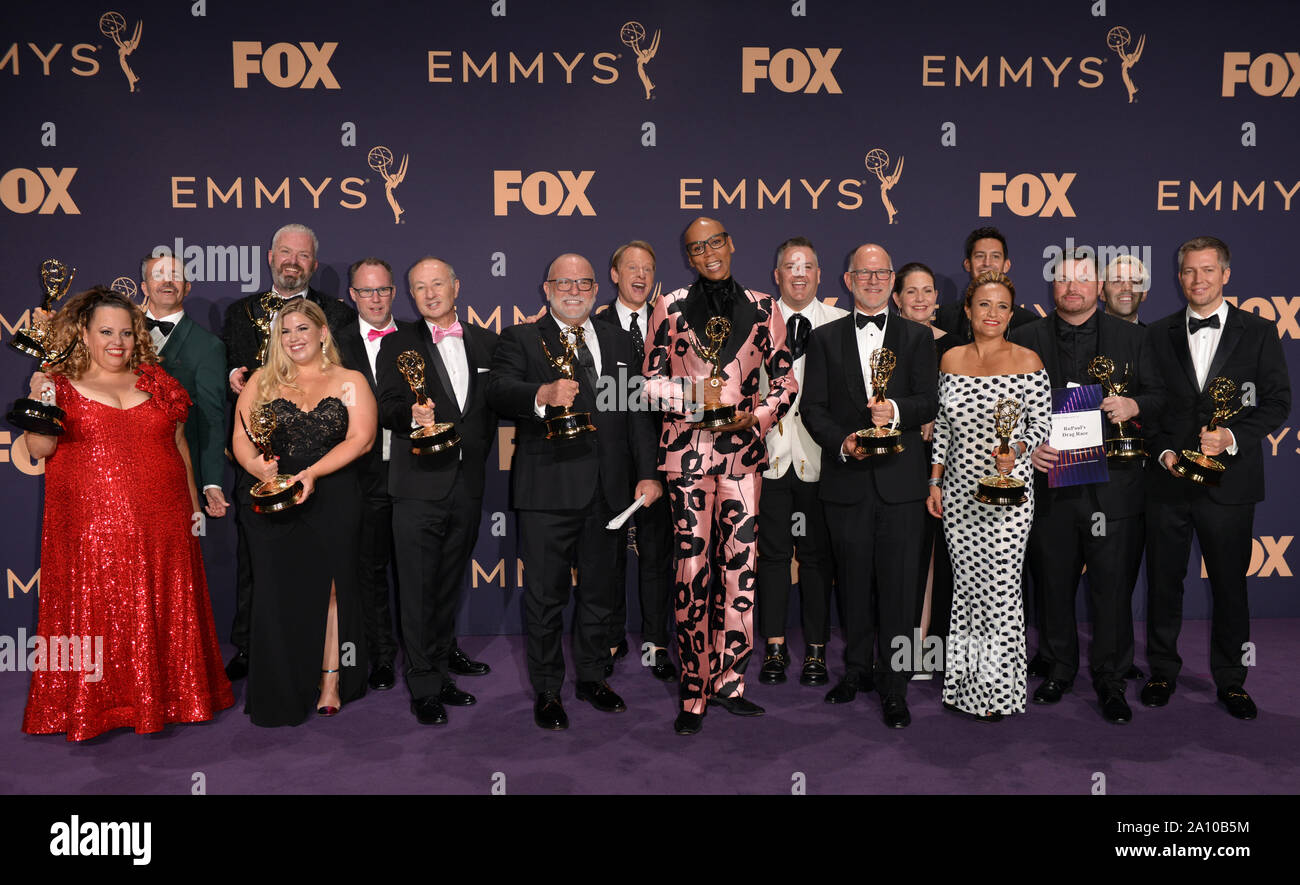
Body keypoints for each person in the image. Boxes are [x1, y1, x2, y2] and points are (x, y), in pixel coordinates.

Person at [21, 287, 233, 740]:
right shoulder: (55, 384)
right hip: (92, 531)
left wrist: (194, 509)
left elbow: (179, 448)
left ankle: (172, 698)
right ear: (83, 332)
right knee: (103, 614)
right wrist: (42, 403)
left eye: (126, 332)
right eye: (105, 332)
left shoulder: (159, 383)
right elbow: (39, 449)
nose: (117, 342)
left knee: (162, 609)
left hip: (165, 522)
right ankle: (99, 707)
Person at [487, 253, 660, 731]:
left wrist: (648, 473)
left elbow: (635, 415)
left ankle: (592, 677)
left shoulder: (616, 338)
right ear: (546, 288)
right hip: (547, 491)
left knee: (601, 594)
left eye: (584, 282)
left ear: (596, 288)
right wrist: (539, 396)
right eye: (564, 282)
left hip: (608, 492)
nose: (575, 290)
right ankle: (547, 690)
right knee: (544, 598)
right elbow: (498, 390)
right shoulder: (520, 337)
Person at [643, 217, 797, 735]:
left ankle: (730, 681)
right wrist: (695, 400)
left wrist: (752, 416)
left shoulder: (764, 307)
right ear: (687, 257)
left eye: (715, 242)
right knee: (691, 573)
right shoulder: (669, 306)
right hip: (686, 457)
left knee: (740, 575)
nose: (708, 253)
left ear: (730, 244)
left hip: (743, 457)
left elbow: (785, 380)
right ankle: (693, 688)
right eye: (696, 248)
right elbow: (648, 381)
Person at [1011, 250, 1164, 724]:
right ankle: (1058, 669)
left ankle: (1111, 679)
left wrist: (1134, 405)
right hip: (1049, 485)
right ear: (1051, 288)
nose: (1072, 286)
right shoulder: (1024, 339)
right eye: (1062, 279)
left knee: (1112, 589)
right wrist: (1024, 446)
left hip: (1114, 488)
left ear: (1099, 288)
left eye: (1082, 278)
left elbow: (1163, 397)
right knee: (1052, 585)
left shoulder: (1136, 338)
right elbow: (1005, 412)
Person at [1141, 236, 1290, 720]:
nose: (1198, 280)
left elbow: (1277, 402)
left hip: (1231, 485)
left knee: (1230, 584)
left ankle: (1231, 679)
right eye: (1188, 271)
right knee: (1164, 582)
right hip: (1168, 483)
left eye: (1207, 271)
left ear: (1226, 274)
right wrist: (1162, 452)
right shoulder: (1157, 333)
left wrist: (1231, 436)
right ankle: (1161, 670)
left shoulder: (1261, 332)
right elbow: (1151, 405)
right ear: (1178, 276)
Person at [802, 244, 938, 728]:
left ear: (892, 278)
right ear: (848, 278)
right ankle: (855, 670)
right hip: (847, 483)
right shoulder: (823, 338)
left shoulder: (918, 338)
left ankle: (895, 686)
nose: (874, 280)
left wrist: (896, 412)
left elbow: (929, 402)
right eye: (865, 273)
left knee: (899, 591)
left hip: (901, 487)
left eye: (882, 273)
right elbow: (811, 408)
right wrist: (844, 443)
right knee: (853, 586)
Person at [220, 223, 356, 681]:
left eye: (302, 255)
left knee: (320, 565)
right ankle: (251, 644)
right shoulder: (239, 312)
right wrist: (235, 377)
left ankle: (321, 656)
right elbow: (224, 369)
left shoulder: (337, 312)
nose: (292, 261)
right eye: (285, 252)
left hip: (319, 458)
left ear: (314, 264)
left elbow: (343, 378)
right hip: (256, 456)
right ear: (271, 256)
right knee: (255, 560)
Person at [231, 298, 376, 726]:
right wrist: (258, 466)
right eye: (285, 331)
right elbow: (241, 437)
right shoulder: (262, 380)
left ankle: (331, 678)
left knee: (332, 589)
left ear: (322, 333)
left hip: (333, 495)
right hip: (276, 499)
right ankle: (284, 681)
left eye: (302, 329)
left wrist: (310, 473)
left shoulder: (349, 380)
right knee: (277, 590)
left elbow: (361, 439)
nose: (294, 338)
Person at [376, 257, 500, 726]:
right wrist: (412, 417)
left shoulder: (489, 343)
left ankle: (444, 656)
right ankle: (425, 682)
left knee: (448, 582)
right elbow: (387, 404)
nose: (430, 294)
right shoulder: (397, 343)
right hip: (417, 486)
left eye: (437, 284)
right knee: (418, 587)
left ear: (456, 285)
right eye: (419, 287)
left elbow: (501, 401)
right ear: (411, 294)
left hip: (468, 486)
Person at [926, 272, 1050, 721]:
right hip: (959, 496)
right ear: (968, 310)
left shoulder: (1029, 360)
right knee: (968, 590)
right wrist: (935, 482)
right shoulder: (951, 360)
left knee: (1000, 589)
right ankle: (964, 687)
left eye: (1001, 306)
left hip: (1008, 495)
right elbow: (941, 427)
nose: (992, 314)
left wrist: (1015, 449)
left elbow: (1041, 424)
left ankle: (999, 690)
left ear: (1011, 312)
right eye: (984, 305)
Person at [755, 237, 847, 688]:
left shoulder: (842, 324)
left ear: (819, 274)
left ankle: (815, 652)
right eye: (789, 266)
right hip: (767, 460)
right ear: (777, 276)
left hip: (823, 462)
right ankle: (773, 648)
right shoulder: (752, 321)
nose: (798, 274)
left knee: (816, 560)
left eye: (807, 266)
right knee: (770, 557)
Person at [594, 239, 676, 682]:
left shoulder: (672, 325)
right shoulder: (592, 325)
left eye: (648, 268)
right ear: (614, 274)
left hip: (663, 458)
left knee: (656, 555)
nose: (640, 275)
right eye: (631, 267)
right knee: (607, 556)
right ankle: (609, 637)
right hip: (607, 459)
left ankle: (656, 642)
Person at [336, 258, 402, 692]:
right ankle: (381, 656)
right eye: (366, 292)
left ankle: (437, 648)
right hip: (361, 475)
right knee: (371, 570)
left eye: (382, 290)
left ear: (394, 292)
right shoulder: (335, 345)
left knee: (424, 572)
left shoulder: (419, 338)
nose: (375, 299)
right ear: (352, 297)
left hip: (417, 473)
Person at [891, 262, 957, 660]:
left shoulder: (956, 346)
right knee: (903, 556)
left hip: (948, 461)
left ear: (937, 298)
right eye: (911, 291)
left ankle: (928, 646)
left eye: (927, 290)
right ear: (897, 298)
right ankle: (902, 644)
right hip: (898, 459)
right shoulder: (886, 342)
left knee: (939, 558)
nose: (920, 299)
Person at [141, 253, 230, 520]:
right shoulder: (117, 335)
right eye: (159, 275)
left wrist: (212, 482)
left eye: (176, 276)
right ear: (144, 287)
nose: (168, 281)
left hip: (174, 470)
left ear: (187, 287)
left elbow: (212, 417)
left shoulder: (208, 346)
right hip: (120, 466)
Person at [933, 227, 1038, 345]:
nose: (987, 263)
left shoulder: (1028, 322)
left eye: (995, 256)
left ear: (1006, 265)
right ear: (967, 264)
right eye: (979, 256)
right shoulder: (946, 316)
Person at [1101, 253, 1150, 325]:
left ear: (1144, 293)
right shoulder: (1081, 335)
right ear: (1102, 293)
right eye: (1117, 281)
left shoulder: (1154, 336)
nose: (1127, 288)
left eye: (1134, 282)